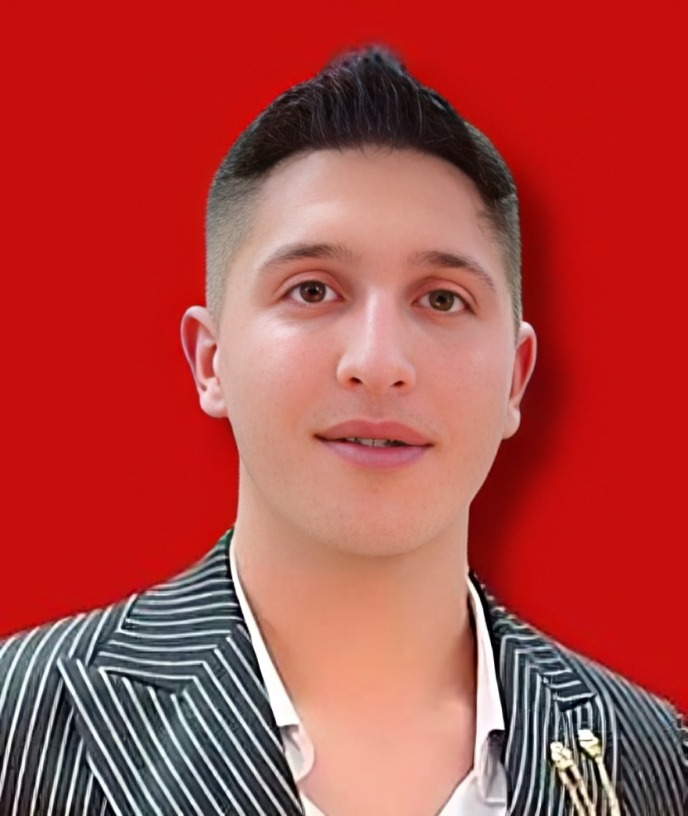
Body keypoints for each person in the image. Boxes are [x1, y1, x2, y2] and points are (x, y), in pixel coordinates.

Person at [0, 46, 684, 816]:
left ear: (516, 379)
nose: (378, 363)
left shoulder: (650, 758)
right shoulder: (20, 723)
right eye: (313, 290)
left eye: (443, 299)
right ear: (211, 362)